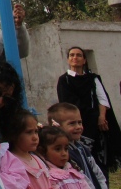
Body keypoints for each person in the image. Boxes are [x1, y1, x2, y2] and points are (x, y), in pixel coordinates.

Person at [56, 46, 121, 178]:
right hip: (79, 128)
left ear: (84, 60)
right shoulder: (65, 80)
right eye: (72, 55)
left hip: (98, 127)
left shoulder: (93, 78)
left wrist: (101, 117)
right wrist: (91, 116)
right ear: (68, 59)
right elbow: (70, 104)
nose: (75, 58)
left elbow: (103, 99)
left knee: (100, 164)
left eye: (79, 55)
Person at [47, 103, 107, 189]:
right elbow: (81, 178)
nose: (78, 127)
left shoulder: (83, 148)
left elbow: (98, 173)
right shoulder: (64, 154)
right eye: (72, 123)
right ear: (56, 126)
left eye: (80, 122)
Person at [7, 110, 52, 189]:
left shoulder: (37, 159)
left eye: (36, 131)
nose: (35, 137)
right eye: (29, 132)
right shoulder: (12, 162)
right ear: (14, 135)